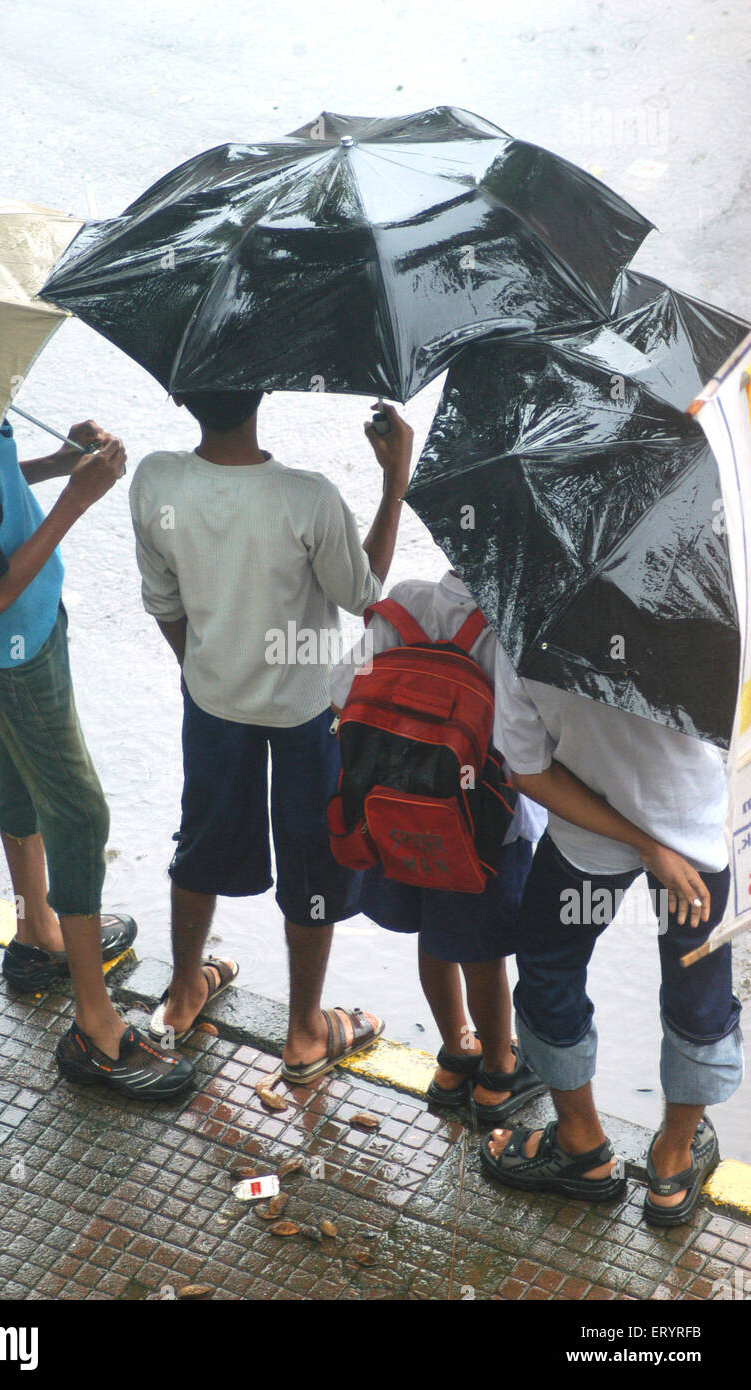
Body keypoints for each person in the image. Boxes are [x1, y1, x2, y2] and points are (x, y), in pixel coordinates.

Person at [129, 390, 412, 1081]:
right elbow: (366, 591)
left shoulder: (155, 481)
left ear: (177, 392)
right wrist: (394, 480)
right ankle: (305, 1031)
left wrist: (204, 671)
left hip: (213, 702)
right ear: (262, 390)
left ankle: (187, 988)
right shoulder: (307, 498)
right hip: (304, 710)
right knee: (313, 861)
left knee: (198, 842)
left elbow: (165, 603)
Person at [0, 416, 193, 1099]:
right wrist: (80, 498)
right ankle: (95, 1029)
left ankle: (37, 930)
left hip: (13, 634)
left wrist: (55, 462)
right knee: (79, 813)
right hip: (13, 637)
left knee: (18, 769)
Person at [477, 580, 742, 1224]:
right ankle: (673, 1170)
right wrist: (659, 845)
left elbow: (529, 770)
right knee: (696, 991)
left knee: (551, 967)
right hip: (697, 846)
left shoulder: (525, 618)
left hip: (585, 848)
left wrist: (637, 842)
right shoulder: (718, 603)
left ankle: (582, 1147)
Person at [330, 569, 548, 1123]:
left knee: (433, 934)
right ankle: (499, 1071)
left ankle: (456, 1053)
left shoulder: (405, 602)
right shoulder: (512, 628)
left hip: (395, 813)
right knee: (482, 950)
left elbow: (339, 693)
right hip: (480, 826)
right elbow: (527, 742)